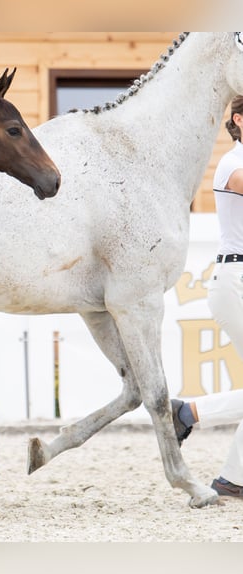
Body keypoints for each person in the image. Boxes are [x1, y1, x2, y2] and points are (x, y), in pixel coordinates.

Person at [172, 95, 243, 499]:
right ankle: (190, 414)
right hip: (235, 281)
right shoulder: (233, 164)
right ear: (239, 120)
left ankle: (232, 478)